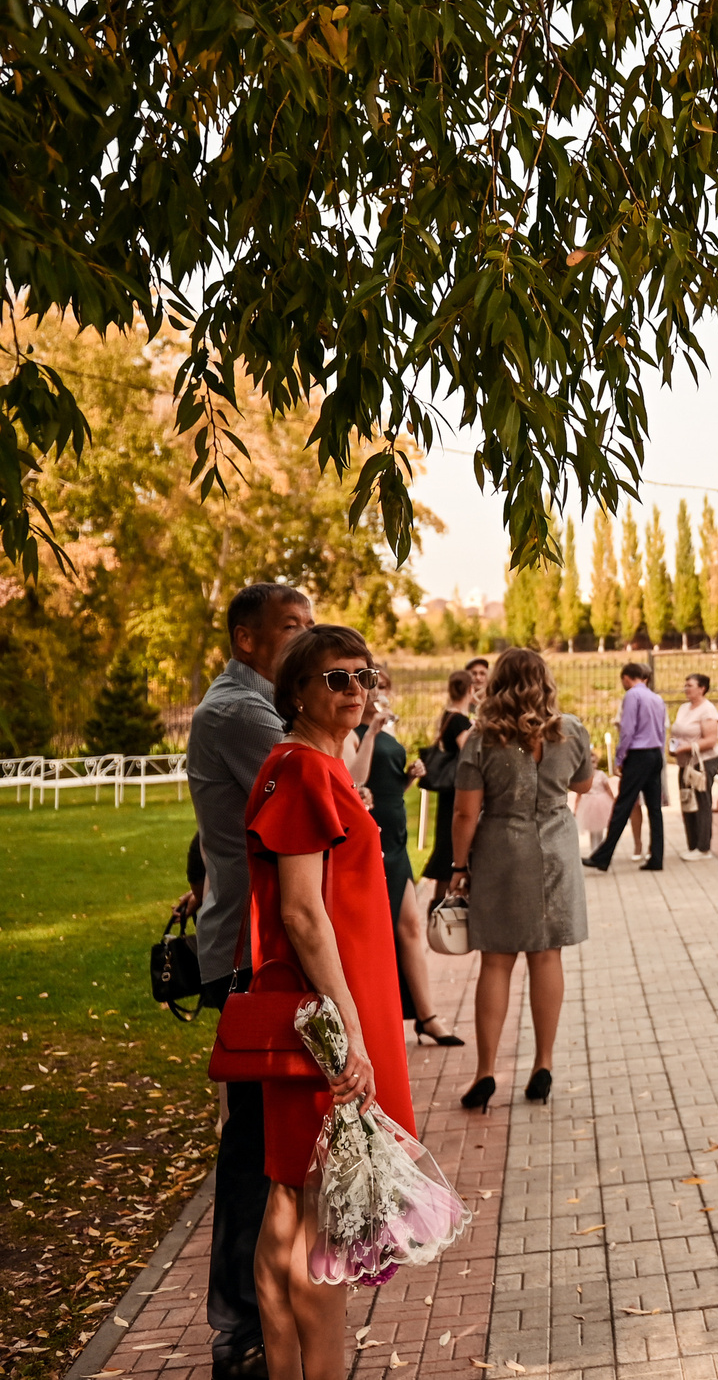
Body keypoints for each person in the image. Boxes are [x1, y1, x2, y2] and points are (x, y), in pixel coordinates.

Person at [239, 626, 413, 1380]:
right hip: (327, 1020)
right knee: (322, 1225)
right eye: (337, 678)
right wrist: (352, 1033)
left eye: (364, 676)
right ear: (298, 692)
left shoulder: (307, 765)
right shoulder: (304, 769)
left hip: (316, 1011)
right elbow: (303, 914)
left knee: (288, 1205)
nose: (356, 690)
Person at [186, 580, 312, 1380]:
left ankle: (257, 1314)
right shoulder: (244, 713)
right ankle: (238, 1328)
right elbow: (324, 793)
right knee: (254, 1147)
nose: (306, 640)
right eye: (292, 628)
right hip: (250, 954)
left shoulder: (252, 707)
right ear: (246, 638)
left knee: (266, 1139)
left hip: (256, 945)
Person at [449, 647, 597, 1109]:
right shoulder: (570, 730)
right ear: (545, 681)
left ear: (497, 684)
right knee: (547, 955)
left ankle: (486, 1071)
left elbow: (465, 812)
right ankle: (543, 1064)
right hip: (556, 848)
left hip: (501, 850)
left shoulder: (482, 738)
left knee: (496, 962)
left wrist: (458, 867)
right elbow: (584, 784)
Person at [348, 667, 462, 1045]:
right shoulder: (351, 731)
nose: (375, 692)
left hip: (396, 838)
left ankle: (426, 1016)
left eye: (381, 685)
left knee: (411, 925)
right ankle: (385, 1018)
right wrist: (372, 732)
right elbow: (355, 782)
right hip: (372, 839)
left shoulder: (385, 729)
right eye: (371, 685)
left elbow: (388, 785)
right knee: (383, 931)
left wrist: (411, 776)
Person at [585, 662, 669, 871]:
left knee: (623, 804)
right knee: (654, 809)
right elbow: (661, 731)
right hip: (654, 753)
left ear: (626, 678)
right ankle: (656, 856)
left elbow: (628, 729)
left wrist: (620, 758)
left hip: (638, 754)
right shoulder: (656, 698)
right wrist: (659, 756)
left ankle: (603, 856)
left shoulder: (632, 696)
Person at [419, 668, 476, 898]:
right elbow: (468, 750)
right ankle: (441, 903)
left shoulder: (447, 715)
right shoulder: (459, 720)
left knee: (445, 843)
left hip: (448, 790)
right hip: (455, 789)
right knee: (448, 846)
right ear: (470, 689)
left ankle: (438, 903)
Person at [670, 672, 718, 861]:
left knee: (701, 802)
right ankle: (692, 845)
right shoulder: (684, 708)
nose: (686, 689)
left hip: (703, 762)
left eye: (690, 685)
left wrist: (687, 747)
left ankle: (703, 848)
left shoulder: (708, 711)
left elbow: (710, 740)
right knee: (687, 800)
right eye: (685, 685)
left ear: (702, 688)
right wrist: (674, 747)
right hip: (685, 762)